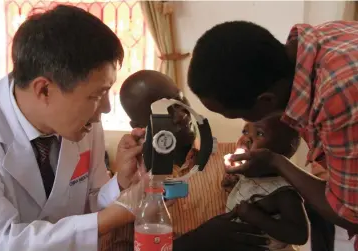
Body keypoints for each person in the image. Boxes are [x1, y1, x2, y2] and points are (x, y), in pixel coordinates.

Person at [0, 5, 145, 251]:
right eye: (98, 95)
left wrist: (120, 183)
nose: (106, 109)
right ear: (44, 89)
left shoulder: (85, 123)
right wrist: (114, 217)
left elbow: (88, 205)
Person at [187, 20, 358, 249]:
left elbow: (350, 213)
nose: (245, 132)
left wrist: (276, 162)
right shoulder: (322, 40)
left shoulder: (337, 95)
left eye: (236, 115)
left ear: (266, 100)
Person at [102, 70, 269, 251]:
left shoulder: (236, 159)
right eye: (164, 110)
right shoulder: (133, 183)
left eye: (180, 100)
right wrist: (191, 243)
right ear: (139, 126)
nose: (181, 113)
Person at [224, 116, 308, 251]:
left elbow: (300, 234)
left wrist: (257, 217)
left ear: (282, 149)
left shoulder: (283, 190)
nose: (247, 139)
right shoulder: (249, 175)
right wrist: (231, 187)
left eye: (260, 134)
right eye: (245, 132)